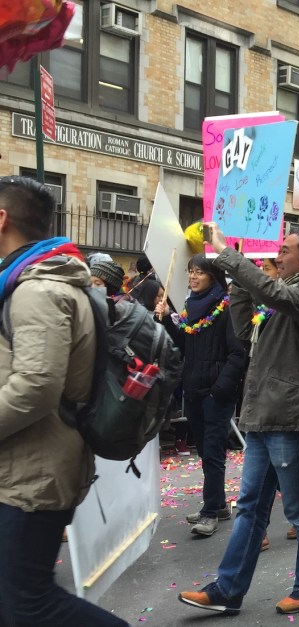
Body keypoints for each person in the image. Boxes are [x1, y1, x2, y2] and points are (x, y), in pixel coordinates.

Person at [178, 224, 299, 615]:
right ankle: (228, 590)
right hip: (263, 416)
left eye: (285, 250)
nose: (278, 256)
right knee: (250, 507)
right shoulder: (279, 297)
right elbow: (245, 326)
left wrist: (228, 254)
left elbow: (273, 292)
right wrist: (240, 281)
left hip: (292, 418)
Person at [0, 176, 127, 626]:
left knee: (26, 602)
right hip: (25, 466)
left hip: (32, 474)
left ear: (1, 220)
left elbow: (35, 386)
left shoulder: (38, 289)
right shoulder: (32, 282)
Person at [156, 254, 246, 537]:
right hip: (193, 389)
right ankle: (217, 504)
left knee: (214, 451)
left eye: (199, 272)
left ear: (213, 276)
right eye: (190, 271)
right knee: (206, 452)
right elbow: (183, 340)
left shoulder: (226, 307)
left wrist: (221, 388)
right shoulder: (189, 306)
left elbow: (238, 353)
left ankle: (209, 513)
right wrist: (167, 321)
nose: (193, 277)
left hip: (216, 393)